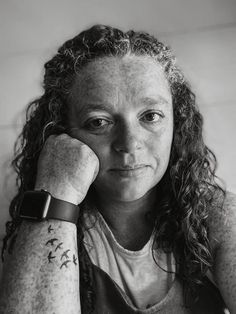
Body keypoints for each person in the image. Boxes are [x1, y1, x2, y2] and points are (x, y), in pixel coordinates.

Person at [0, 24, 235, 314]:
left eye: (150, 116)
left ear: (178, 123)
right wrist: (57, 189)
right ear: (63, 132)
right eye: (99, 122)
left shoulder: (215, 217)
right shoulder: (31, 233)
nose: (130, 143)